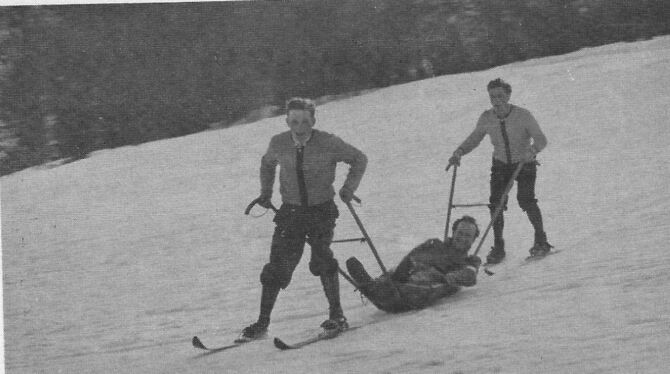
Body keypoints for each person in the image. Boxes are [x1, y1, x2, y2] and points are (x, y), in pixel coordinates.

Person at [240, 97, 368, 340]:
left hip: (321, 211)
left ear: (313, 121)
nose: (299, 128)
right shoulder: (278, 143)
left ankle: (337, 315)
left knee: (321, 259)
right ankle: (262, 322)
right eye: (294, 121)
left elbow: (359, 159)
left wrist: (348, 188)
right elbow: (267, 164)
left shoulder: (328, 142)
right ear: (287, 121)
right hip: (291, 212)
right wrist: (266, 193)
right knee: (277, 265)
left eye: (305, 122)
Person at [448, 78, 552, 264]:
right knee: (496, 204)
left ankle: (541, 240)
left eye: (500, 96)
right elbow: (475, 138)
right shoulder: (487, 118)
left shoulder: (523, 115)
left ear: (508, 95)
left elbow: (541, 139)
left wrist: (533, 151)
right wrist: (459, 152)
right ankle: (498, 246)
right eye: (493, 96)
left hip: (524, 163)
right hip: (501, 164)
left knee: (526, 200)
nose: (496, 100)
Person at [346, 216, 482, 313]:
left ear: (473, 240)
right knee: (401, 271)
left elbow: (470, 275)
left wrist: (453, 276)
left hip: (422, 289)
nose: (462, 238)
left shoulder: (470, 261)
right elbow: (410, 258)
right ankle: (380, 286)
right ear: (454, 232)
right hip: (405, 275)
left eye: (467, 236)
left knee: (423, 283)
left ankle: (377, 289)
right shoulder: (434, 244)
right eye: (460, 233)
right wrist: (400, 272)